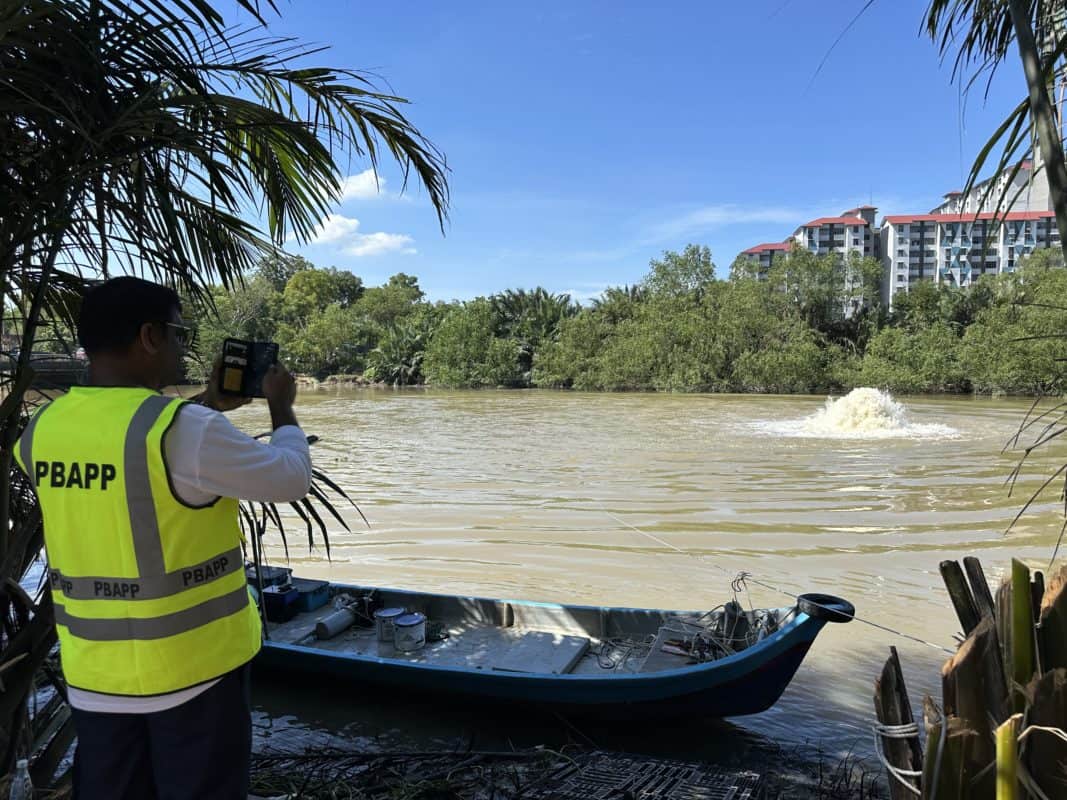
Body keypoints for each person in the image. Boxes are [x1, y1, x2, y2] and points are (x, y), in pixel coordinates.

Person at [14, 276, 312, 800]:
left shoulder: (43, 428)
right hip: (194, 674)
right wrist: (281, 407)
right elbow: (289, 478)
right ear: (150, 336)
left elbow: (132, 454)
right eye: (179, 333)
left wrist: (209, 402)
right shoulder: (187, 429)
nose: (182, 347)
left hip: (96, 676)